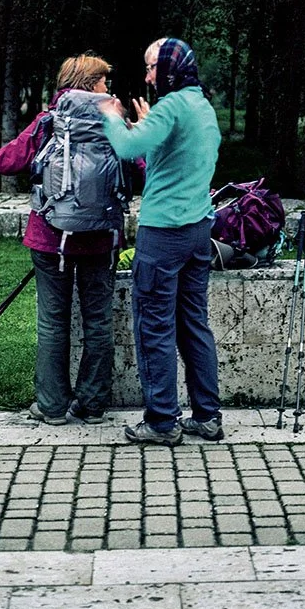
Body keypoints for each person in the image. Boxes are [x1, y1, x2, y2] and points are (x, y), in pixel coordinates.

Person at [101, 37, 224, 445]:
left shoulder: (172, 107)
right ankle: (207, 417)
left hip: (163, 234)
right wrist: (148, 122)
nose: (149, 75)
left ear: (170, 68)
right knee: (194, 325)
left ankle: (161, 422)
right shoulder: (200, 105)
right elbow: (164, 160)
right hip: (197, 232)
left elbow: (126, 146)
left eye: (153, 67)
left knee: (154, 326)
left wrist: (112, 116)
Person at [0, 53, 127, 426]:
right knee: (98, 322)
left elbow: (4, 162)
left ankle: (51, 407)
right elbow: (141, 169)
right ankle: (92, 405)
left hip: (51, 239)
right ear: (90, 84)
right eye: (103, 81)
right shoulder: (114, 121)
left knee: (53, 323)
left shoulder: (48, 122)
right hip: (101, 240)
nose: (107, 87)